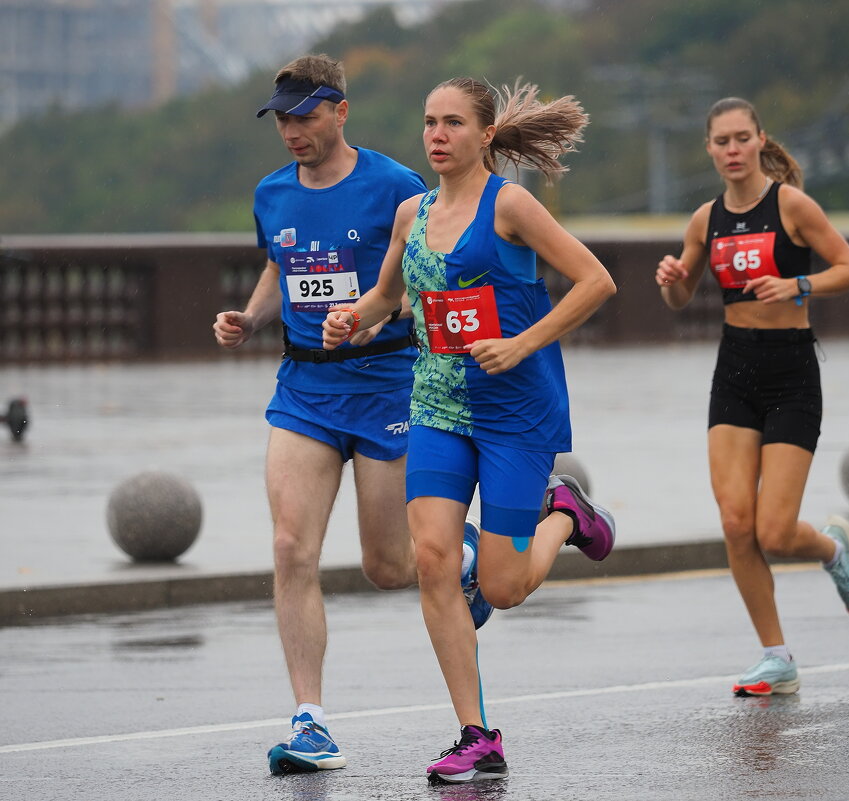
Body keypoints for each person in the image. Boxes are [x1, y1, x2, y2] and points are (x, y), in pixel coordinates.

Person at [323, 77, 617, 783]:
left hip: (515, 413)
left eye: (453, 122)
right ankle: (475, 733)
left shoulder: (509, 205)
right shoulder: (409, 215)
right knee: (431, 559)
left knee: (504, 586)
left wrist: (520, 344)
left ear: (485, 135)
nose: (437, 134)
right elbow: (391, 297)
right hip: (437, 405)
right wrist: (352, 317)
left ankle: (563, 512)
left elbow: (595, 281)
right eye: (429, 122)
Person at [212, 54, 430, 775]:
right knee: (288, 548)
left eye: (304, 115)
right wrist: (248, 315)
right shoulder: (270, 193)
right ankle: (310, 719)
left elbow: (418, 280)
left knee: (388, 566)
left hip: (385, 386)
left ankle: (456, 560)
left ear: (340, 110)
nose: (291, 130)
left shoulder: (397, 186)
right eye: (281, 117)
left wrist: (374, 313)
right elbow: (281, 265)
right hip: (304, 390)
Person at [655, 97, 849, 697]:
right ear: (709, 148)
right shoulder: (705, 219)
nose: (731, 150)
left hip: (792, 373)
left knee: (774, 531)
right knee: (734, 521)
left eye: (741, 138)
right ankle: (776, 656)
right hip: (735, 369)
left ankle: (832, 550)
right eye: (720, 140)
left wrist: (797, 282)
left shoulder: (791, 206)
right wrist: (674, 282)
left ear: (759, 141)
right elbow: (682, 300)